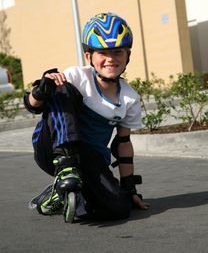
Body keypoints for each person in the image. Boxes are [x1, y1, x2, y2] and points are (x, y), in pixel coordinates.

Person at [24, 12, 149, 222]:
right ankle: (66, 168)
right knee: (60, 87)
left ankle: (61, 194)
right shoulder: (75, 76)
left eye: (118, 52)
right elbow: (32, 105)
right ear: (89, 56)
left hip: (90, 160)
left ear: (128, 55)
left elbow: (123, 144)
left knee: (119, 209)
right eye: (102, 52)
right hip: (51, 149)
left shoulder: (130, 98)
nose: (111, 59)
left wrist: (130, 189)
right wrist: (42, 90)